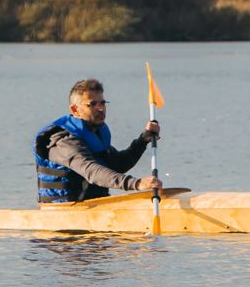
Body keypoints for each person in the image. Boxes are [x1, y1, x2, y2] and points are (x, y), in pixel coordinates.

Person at [34, 78, 163, 204]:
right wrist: (137, 183)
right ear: (75, 110)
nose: (100, 108)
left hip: (94, 205)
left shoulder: (95, 133)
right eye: (92, 104)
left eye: (102, 103)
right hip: (63, 210)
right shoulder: (64, 141)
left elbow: (119, 164)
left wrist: (142, 141)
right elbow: (91, 170)